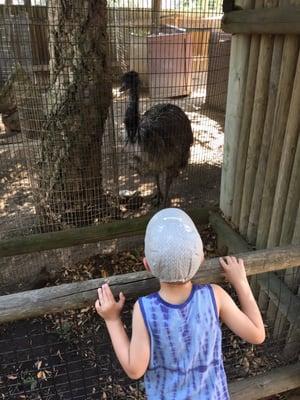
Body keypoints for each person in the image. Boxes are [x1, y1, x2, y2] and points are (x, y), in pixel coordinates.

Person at [95, 208, 265, 399]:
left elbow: (135, 370)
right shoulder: (214, 296)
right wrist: (240, 281)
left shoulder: (145, 309)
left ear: (147, 265)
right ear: (201, 259)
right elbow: (257, 334)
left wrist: (111, 319)